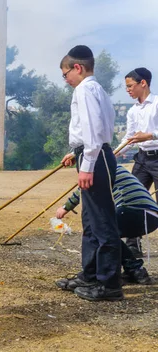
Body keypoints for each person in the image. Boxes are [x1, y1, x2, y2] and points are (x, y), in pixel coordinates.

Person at [58, 45, 122, 302]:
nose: (65, 80)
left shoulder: (84, 89)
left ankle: (109, 284)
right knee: (91, 222)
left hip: (94, 157)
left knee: (103, 222)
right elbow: (96, 129)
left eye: (65, 74)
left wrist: (87, 165)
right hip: (89, 153)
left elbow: (94, 129)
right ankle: (91, 274)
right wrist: (78, 152)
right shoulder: (97, 89)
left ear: (78, 68)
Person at [55, 165, 156, 289]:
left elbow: (83, 188)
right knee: (109, 236)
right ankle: (136, 271)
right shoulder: (114, 167)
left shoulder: (100, 168)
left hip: (131, 210)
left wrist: (65, 208)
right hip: (151, 217)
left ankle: (95, 277)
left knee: (98, 232)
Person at [115, 68, 156, 257]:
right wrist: (113, 153)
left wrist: (150, 135)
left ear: (143, 83)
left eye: (130, 86)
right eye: (126, 87)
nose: (128, 90)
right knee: (133, 199)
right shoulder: (132, 111)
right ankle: (133, 244)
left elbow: (143, 136)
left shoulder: (156, 104)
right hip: (141, 159)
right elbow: (129, 138)